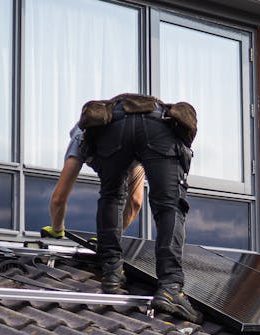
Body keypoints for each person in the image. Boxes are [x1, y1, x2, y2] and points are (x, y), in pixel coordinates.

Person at [81, 93, 201, 322]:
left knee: (111, 196)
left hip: (114, 126)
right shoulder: (160, 122)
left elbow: (128, 196)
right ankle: (170, 287)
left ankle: (112, 273)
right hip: (157, 127)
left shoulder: (102, 124)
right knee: (169, 206)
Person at [40, 124, 144, 238]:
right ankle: (108, 236)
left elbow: (58, 199)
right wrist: (111, 236)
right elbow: (135, 202)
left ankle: (107, 236)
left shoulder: (81, 139)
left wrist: (57, 228)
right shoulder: (82, 139)